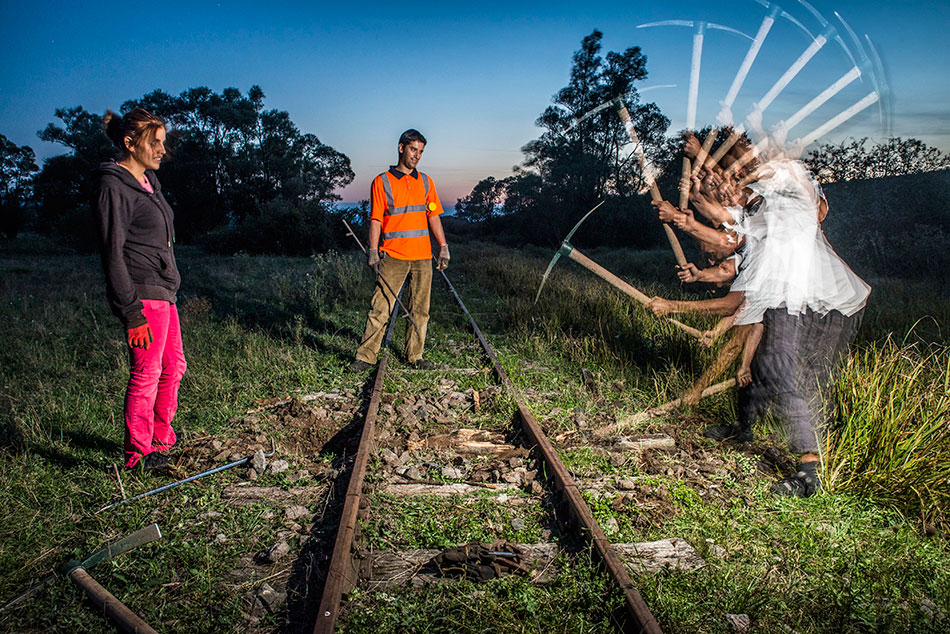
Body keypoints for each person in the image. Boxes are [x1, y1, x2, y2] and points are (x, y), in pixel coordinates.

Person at [91, 108, 185, 470]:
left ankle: (161, 440)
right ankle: (138, 455)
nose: (162, 150)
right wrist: (131, 314)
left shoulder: (149, 182)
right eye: (154, 142)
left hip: (164, 292)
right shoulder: (113, 185)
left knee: (174, 366)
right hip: (143, 295)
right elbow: (112, 253)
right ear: (130, 143)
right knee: (146, 373)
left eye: (163, 142)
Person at [349, 129, 449, 372]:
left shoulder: (426, 182)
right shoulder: (381, 181)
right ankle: (365, 358)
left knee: (420, 310)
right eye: (413, 149)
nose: (417, 156)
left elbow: (433, 215)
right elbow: (376, 220)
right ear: (401, 147)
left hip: (423, 257)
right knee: (380, 308)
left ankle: (415, 356)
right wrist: (373, 251)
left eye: (421, 152)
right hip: (392, 256)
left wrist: (443, 247)